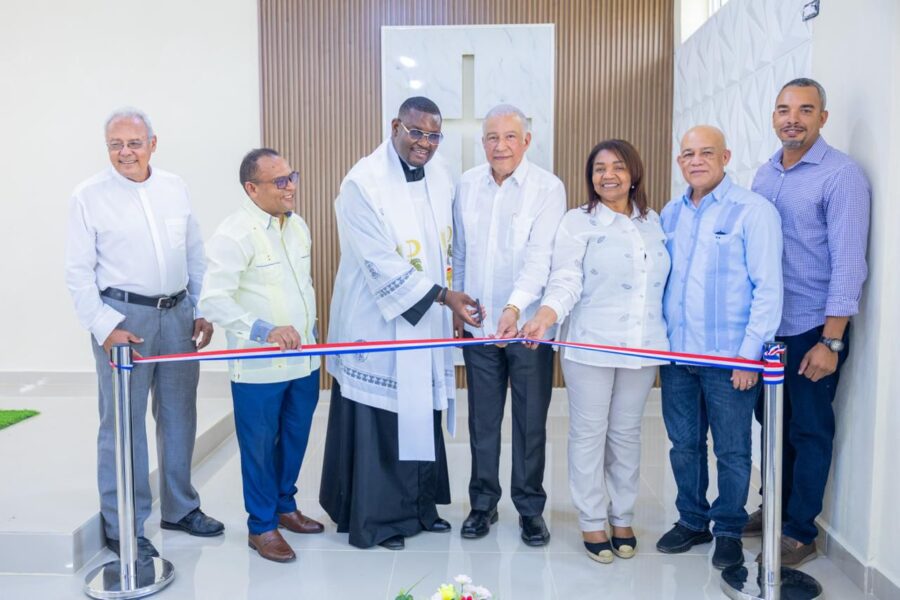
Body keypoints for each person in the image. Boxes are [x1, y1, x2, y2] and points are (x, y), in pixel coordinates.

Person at [319, 96, 482, 551]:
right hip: (377, 319)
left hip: (425, 317)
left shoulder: (441, 173)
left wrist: (448, 299)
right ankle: (380, 518)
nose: (425, 144)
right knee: (382, 416)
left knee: (419, 411)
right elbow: (377, 260)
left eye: (433, 135)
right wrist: (444, 298)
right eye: (417, 132)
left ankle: (419, 506)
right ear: (396, 126)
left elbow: (448, 246)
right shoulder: (362, 182)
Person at [65, 108, 223, 558]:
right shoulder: (88, 196)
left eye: (134, 143)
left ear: (153, 143)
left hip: (177, 315)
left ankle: (180, 507)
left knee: (179, 415)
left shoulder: (175, 187)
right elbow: (77, 273)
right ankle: (124, 524)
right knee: (122, 424)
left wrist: (200, 309)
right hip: (122, 320)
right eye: (115, 144)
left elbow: (195, 252)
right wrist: (104, 327)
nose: (125, 152)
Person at [521, 139, 670, 562]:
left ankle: (621, 515)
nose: (608, 175)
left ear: (634, 172)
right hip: (590, 344)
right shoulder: (578, 221)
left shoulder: (653, 221)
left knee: (626, 433)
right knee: (589, 433)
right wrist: (545, 316)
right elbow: (566, 278)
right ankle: (591, 520)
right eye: (599, 168)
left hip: (642, 347)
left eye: (618, 166)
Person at [744, 78, 870, 566]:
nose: (791, 118)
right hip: (770, 326)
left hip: (813, 327)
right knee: (771, 423)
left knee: (809, 429)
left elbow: (848, 263)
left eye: (804, 109)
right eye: (782, 109)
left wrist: (831, 341)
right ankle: (772, 508)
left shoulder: (841, 176)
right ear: (773, 116)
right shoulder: (765, 173)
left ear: (823, 117)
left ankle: (799, 531)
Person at [655, 125, 783, 570]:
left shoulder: (753, 211)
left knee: (733, 450)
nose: (696, 160)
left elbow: (768, 289)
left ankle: (728, 528)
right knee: (683, 445)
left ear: (725, 156)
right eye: (688, 153)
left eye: (706, 152)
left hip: (731, 361)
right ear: (679, 162)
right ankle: (691, 520)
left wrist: (751, 355)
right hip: (678, 358)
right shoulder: (669, 215)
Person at [199, 148, 323, 563]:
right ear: (252, 189)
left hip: (304, 360)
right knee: (258, 447)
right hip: (259, 366)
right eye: (280, 181)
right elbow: (214, 301)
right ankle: (262, 526)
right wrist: (265, 330)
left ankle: (285, 507)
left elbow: (300, 287)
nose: (291, 187)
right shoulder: (234, 234)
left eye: (292, 177)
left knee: (294, 438)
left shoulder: (298, 226)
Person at [452, 104, 565, 546]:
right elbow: (459, 252)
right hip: (479, 329)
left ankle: (530, 509)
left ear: (527, 140)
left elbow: (541, 259)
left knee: (529, 423)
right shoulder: (466, 185)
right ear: (483, 143)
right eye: (492, 138)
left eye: (510, 137)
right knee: (482, 422)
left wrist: (515, 309)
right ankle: (482, 505)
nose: (500, 146)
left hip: (529, 331)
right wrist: (457, 305)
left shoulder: (547, 188)